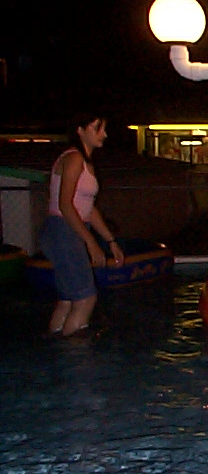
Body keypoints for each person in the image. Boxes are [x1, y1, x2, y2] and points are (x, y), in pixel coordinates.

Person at [39, 113, 125, 336]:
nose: (104, 134)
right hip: (63, 230)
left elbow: (88, 208)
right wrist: (91, 244)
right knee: (86, 298)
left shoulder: (84, 162)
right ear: (80, 130)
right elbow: (65, 205)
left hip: (62, 231)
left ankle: (57, 345)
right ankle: (75, 354)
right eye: (97, 128)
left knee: (68, 299)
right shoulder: (74, 158)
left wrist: (110, 241)